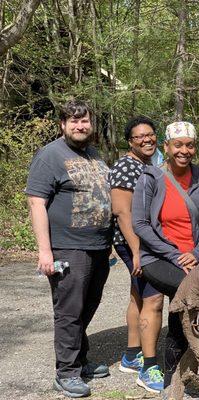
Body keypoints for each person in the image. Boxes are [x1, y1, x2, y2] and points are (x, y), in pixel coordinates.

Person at [26, 99, 112, 398]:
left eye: (84, 120)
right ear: (63, 124)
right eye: (73, 121)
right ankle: (66, 372)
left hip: (98, 246)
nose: (80, 125)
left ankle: (80, 359)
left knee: (87, 306)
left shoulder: (94, 153)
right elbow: (37, 203)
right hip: (67, 247)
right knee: (69, 311)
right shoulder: (50, 155)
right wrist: (45, 251)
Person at [132, 121, 199, 389]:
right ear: (167, 147)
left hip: (195, 255)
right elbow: (140, 224)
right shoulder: (151, 178)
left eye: (190, 145)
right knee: (190, 293)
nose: (184, 150)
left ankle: (196, 366)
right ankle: (172, 372)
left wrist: (197, 252)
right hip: (158, 258)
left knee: (195, 301)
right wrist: (174, 255)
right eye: (178, 145)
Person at [108, 116, 165, 393]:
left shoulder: (149, 165)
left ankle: (132, 355)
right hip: (135, 243)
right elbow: (122, 212)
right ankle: (149, 368)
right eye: (140, 136)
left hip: (145, 243)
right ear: (130, 141)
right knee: (153, 299)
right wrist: (136, 252)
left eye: (150, 135)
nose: (147, 140)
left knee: (138, 295)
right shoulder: (125, 166)